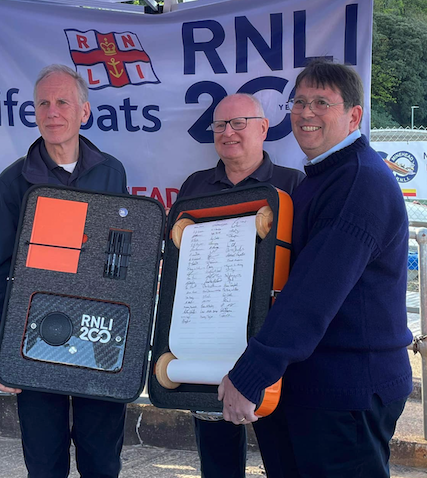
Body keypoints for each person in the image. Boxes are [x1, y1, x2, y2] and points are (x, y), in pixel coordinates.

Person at [220, 59, 412, 477]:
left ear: (353, 116)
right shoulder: (324, 177)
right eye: (300, 102)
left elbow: (313, 293)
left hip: (347, 392)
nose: (306, 113)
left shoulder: (358, 182)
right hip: (312, 387)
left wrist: (251, 373)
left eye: (322, 102)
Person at [0, 64, 128, 478]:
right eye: (43, 103)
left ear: (84, 112)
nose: (52, 111)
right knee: (44, 461)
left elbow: (120, 260)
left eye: (63, 102)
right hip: (34, 335)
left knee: (102, 459)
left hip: (100, 338)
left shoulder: (112, 171)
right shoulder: (12, 182)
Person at [177, 93, 304, 478]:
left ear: (264, 128)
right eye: (219, 125)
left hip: (272, 343)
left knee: (284, 457)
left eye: (238, 123)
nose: (228, 133)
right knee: (217, 463)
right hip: (210, 341)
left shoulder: (294, 184)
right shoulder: (194, 187)